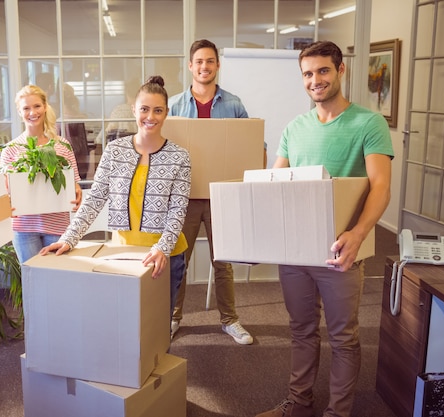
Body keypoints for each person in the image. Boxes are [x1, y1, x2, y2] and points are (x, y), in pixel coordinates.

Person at [256, 41, 393, 417]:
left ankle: (338, 413)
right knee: (301, 330)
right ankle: (299, 403)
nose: (315, 80)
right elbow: (275, 183)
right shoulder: (294, 128)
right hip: (295, 248)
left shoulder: (369, 123)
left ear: (340, 70)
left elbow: (380, 186)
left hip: (341, 248)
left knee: (343, 338)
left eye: (323, 71)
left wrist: (359, 233)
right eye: (307, 74)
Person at [40, 75, 191, 320]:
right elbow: (95, 199)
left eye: (157, 110)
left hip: (164, 256)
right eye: (144, 109)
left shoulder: (180, 156)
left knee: (158, 326)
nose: (150, 117)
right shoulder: (115, 150)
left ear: (166, 113)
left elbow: (178, 210)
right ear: (134, 110)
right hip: (124, 252)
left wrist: (163, 248)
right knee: (124, 323)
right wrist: (69, 238)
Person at [168, 38, 254, 345]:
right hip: (185, 197)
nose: (204, 66)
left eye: (210, 61)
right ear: (190, 66)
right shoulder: (176, 106)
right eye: (199, 61)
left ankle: (230, 320)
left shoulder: (233, 104)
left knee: (224, 262)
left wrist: (253, 156)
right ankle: (172, 318)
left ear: (217, 65)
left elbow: (252, 143)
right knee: (179, 260)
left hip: (222, 196)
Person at [0, 84, 82, 264]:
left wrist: (76, 191)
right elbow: (3, 192)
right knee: (31, 279)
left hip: (58, 225)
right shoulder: (11, 150)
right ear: (20, 112)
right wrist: (6, 203)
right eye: (26, 108)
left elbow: (74, 181)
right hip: (23, 228)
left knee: (57, 279)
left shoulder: (62, 145)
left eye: (37, 106)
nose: (32, 112)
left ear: (45, 107)